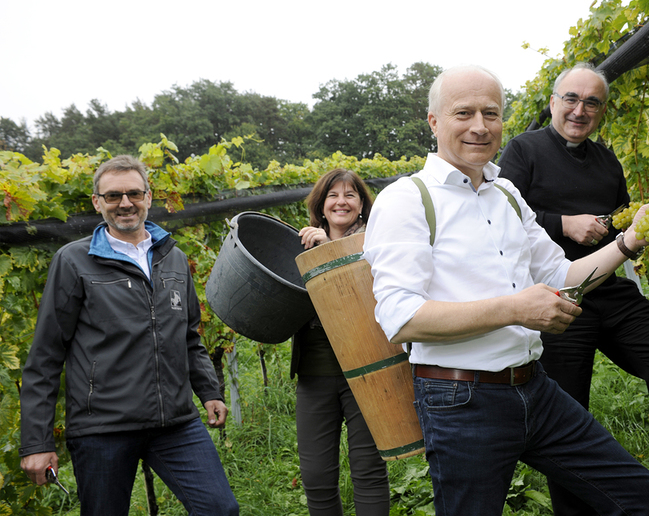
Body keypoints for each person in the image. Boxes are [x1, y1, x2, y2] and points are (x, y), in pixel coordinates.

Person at [363, 64, 649, 516]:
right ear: (433, 121)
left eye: (491, 113)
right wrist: (514, 308)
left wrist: (628, 241)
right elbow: (401, 318)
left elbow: (563, 276)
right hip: (460, 400)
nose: (480, 126)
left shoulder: (506, 192)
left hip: (534, 389)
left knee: (637, 498)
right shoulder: (406, 199)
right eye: (463, 113)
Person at [498, 63, 649, 516]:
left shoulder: (607, 160)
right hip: (557, 294)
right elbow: (504, 215)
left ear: (601, 112)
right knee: (568, 407)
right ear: (553, 102)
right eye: (571, 99)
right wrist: (563, 222)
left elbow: (622, 222)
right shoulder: (522, 150)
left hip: (611, 290)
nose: (580, 110)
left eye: (592, 103)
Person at [19, 155, 239, 516]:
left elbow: (188, 335)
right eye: (113, 196)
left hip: (175, 422)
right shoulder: (74, 262)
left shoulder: (173, 257)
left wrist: (208, 391)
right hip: (102, 426)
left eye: (134, 193)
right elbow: (45, 356)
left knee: (221, 509)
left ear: (148, 198)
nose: (125, 203)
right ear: (97, 202)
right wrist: (36, 442)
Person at [292, 168, 390, 516]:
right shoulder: (300, 248)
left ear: (362, 204)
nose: (341, 201)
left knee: (369, 472)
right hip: (315, 373)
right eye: (333, 195)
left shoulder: (375, 243)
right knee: (316, 477)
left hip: (368, 371)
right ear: (321, 205)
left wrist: (329, 249)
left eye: (350, 194)